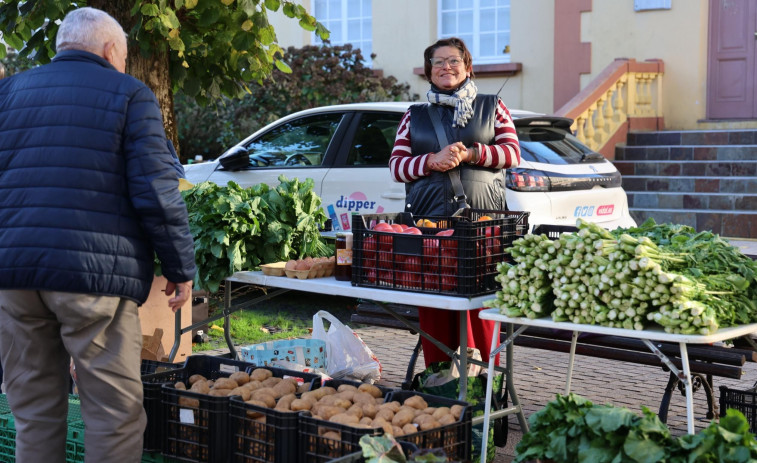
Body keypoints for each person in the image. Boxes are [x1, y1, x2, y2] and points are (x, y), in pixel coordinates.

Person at [0, 7, 197, 462]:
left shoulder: (7, 92)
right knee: (113, 414)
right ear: (111, 50)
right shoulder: (130, 95)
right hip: (93, 279)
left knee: (32, 412)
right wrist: (180, 267)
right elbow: (156, 192)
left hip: (14, 278)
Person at [389, 37, 521, 367]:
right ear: (428, 71)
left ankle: (483, 382)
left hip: (483, 226)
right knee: (435, 307)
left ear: (467, 67)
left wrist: (473, 153)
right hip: (429, 226)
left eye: (453, 61)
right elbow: (396, 166)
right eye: (438, 62)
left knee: (481, 307)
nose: (446, 67)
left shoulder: (494, 107)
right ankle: (438, 382)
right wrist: (430, 161)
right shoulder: (413, 115)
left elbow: (512, 153)